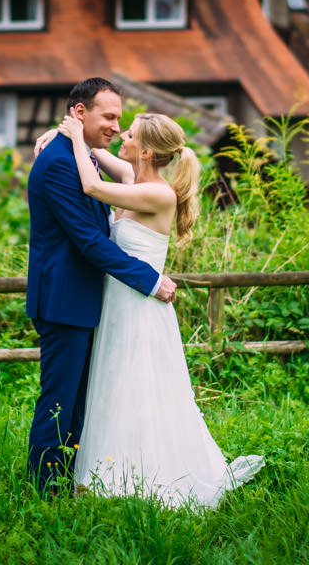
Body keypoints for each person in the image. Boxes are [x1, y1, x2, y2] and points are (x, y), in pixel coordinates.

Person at [49, 109, 265, 510]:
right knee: (114, 382)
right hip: (118, 302)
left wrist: (77, 138)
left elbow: (92, 186)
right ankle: (111, 475)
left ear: (146, 152)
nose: (122, 140)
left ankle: (144, 475)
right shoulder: (136, 180)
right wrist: (63, 136)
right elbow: (99, 159)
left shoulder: (159, 194)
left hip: (140, 309)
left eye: (128, 136)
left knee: (139, 386)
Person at [26, 77, 177, 496]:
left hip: (85, 299)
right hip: (63, 299)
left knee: (77, 401)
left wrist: (65, 135)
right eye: (109, 116)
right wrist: (149, 279)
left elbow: (101, 180)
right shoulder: (58, 162)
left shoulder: (81, 155)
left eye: (120, 120)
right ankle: (45, 492)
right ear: (81, 113)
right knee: (59, 400)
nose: (115, 125)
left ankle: (72, 480)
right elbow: (89, 241)